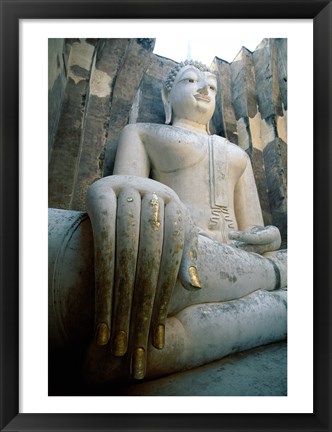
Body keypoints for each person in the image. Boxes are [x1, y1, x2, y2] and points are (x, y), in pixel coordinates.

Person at [86, 60, 287, 380]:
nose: (205, 88)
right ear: (167, 97)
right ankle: (271, 299)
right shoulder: (144, 133)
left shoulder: (239, 155)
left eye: (212, 85)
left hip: (242, 258)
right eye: (190, 80)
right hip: (189, 251)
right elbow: (129, 203)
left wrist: (270, 237)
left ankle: (204, 330)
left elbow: (253, 228)